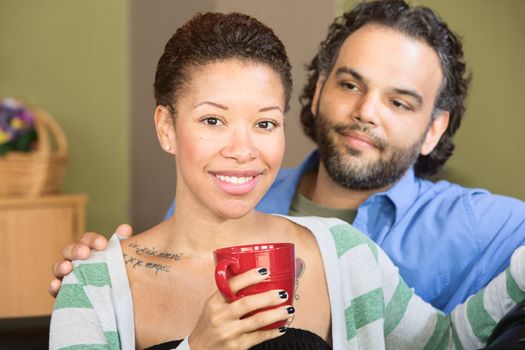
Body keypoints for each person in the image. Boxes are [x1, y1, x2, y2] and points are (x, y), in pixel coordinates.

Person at [49, 10, 525, 350]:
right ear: (167, 127)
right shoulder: (94, 283)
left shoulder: (344, 252)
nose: (243, 150)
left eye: (264, 123)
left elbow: (445, 343)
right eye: (213, 120)